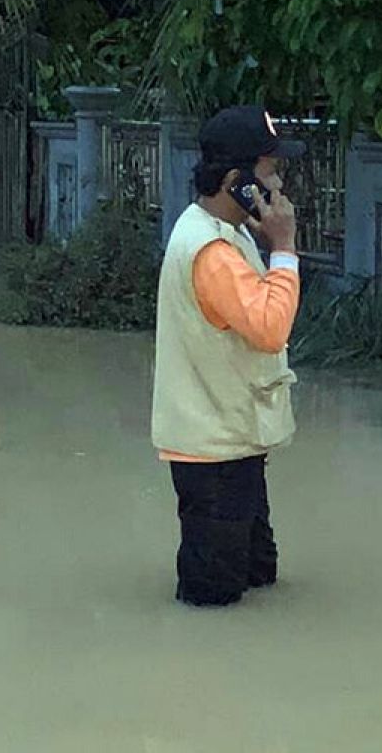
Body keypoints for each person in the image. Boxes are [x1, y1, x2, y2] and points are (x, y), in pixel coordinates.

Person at [150, 105, 306, 607]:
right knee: (213, 598)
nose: (278, 182)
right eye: (270, 171)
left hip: (232, 442)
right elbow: (269, 328)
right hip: (212, 451)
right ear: (238, 181)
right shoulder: (211, 251)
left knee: (259, 576)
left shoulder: (226, 234)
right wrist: (284, 249)